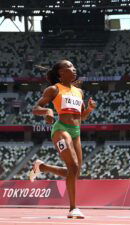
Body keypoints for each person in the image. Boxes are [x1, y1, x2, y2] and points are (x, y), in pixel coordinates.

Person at [29, 60, 96, 219]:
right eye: (69, 67)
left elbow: (81, 116)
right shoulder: (53, 89)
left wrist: (90, 109)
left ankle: (42, 167)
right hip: (61, 130)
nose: (74, 69)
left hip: (76, 132)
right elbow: (35, 108)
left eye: (74, 66)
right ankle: (73, 208)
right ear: (61, 73)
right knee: (72, 166)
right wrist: (47, 111)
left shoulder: (79, 92)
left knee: (74, 172)